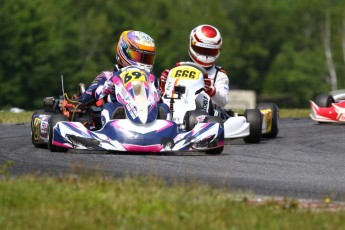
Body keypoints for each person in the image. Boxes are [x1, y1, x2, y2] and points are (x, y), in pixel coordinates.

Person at [79, 30, 168, 125]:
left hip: (149, 119)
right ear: (124, 51)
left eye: (147, 58)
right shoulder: (108, 76)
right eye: (139, 56)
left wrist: (159, 94)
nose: (143, 62)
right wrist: (105, 89)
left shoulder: (151, 79)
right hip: (120, 117)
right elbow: (84, 98)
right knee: (109, 107)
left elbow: (158, 102)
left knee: (164, 107)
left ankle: (164, 133)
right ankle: (116, 123)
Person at [160, 24, 229, 113]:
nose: (205, 55)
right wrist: (163, 86)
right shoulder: (178, 69)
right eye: (202, 50)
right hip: (175, 112)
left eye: (210, 51)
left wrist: (211, 90)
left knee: (201, 99)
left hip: (208, 118)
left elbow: (223, 101)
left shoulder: (219, 75)